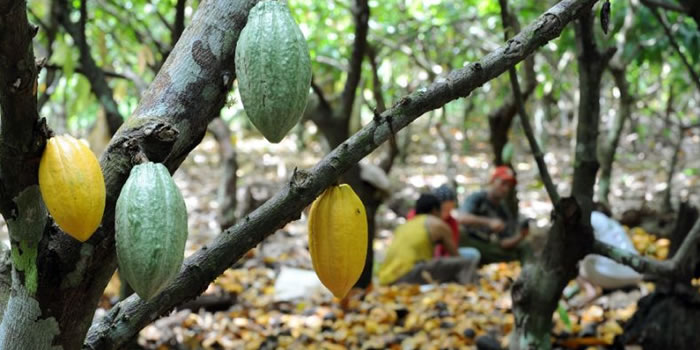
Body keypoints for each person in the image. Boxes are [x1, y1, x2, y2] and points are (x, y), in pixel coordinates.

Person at [378, 193, 480, 285]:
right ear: (435, 210)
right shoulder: (437, 223)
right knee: (467, 262)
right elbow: (456, 256)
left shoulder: (405, 225)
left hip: (387, 278)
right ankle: (473, 294)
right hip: (407, 274)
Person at [457, 166, 533, 264]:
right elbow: (461, 218)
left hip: (485, 245)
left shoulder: (502, 210)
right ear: (493, 181)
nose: (505, 189)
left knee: (521, 249)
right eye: (503, 184)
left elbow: (504, 243)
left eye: (509, 186)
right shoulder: (477, 198)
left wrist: (521, 236)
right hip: (466, 242)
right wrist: (488, 222)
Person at [407, 184, 480, 260]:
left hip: (442, 257)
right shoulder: (417, 217)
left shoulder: (451, 222)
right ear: (434, 208)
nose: (447, 213)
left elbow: (452, 249)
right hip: (420, 257)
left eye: (450, 209)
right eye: (444, 209)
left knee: (473, 254)